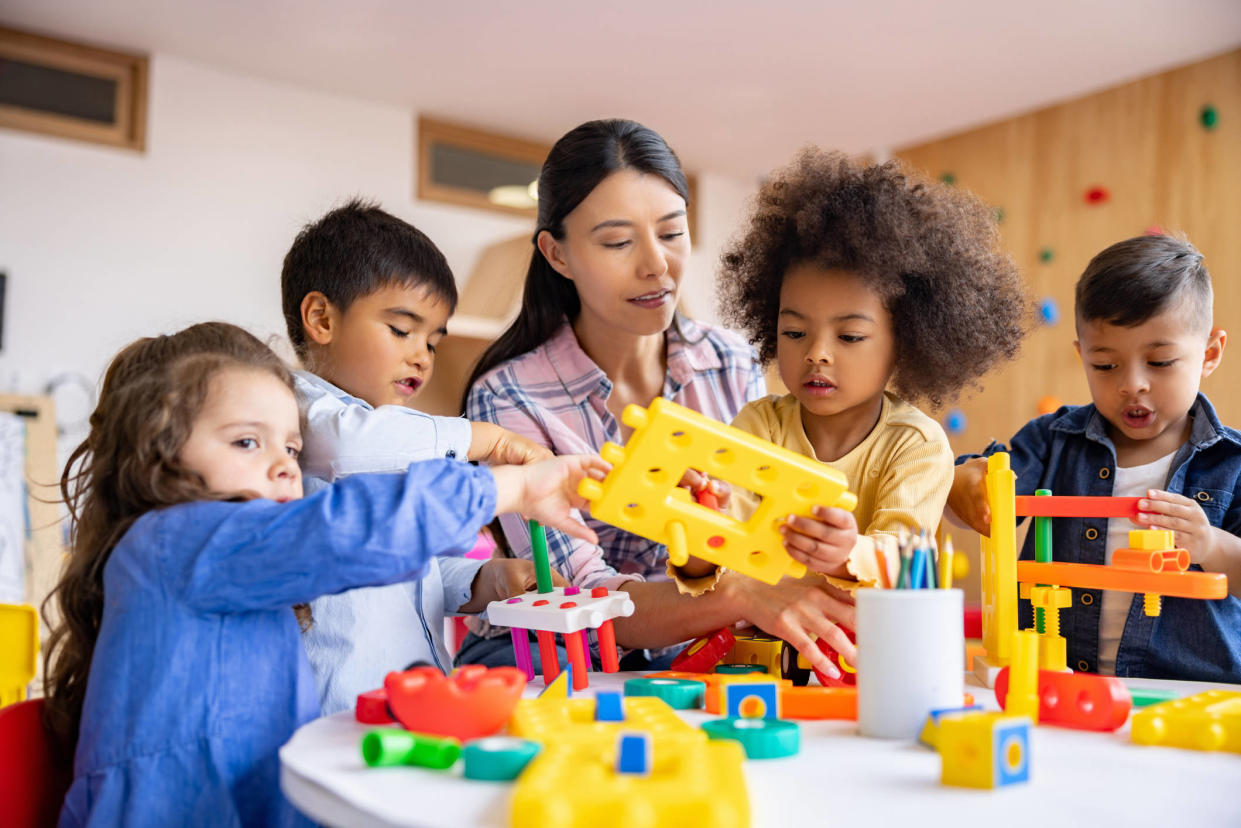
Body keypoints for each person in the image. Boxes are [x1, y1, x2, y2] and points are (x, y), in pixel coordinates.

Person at [42, 321, 603, 826]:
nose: (286, 464)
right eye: (246, 441)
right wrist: (511, 486)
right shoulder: (173, 541)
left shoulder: (241, 563)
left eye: (290, 446)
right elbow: (353, 530)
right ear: (156, 453)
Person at [458, 119, 855, 677]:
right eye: (619, 242)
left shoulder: (731, 361)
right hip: (545, 664)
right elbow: (584, 601)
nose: (656, 265)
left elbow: (761, 529)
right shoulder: (509, 397)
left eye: (671, 232)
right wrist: (737, 595)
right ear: (557, 254)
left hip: (694, 654)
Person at [680, 149, 1028, 589]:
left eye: (849, 337)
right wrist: (697, 527)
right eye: (793, 333)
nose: (817, 354)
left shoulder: (916, 446)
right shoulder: (759, 426)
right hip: (762, 647)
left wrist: (848, 553)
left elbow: (902, 562)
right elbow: (716, 557)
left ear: (905, 342)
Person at [281, 200, 556, 714]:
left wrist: (484, 581)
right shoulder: (294, 407)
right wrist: (488, 440)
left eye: (432, 341)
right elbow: (350, 444)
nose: (421, 357)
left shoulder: (394, 439)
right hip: (337, 708)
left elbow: (415, 569)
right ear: (321, 318)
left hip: (416, 703)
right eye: (402, 331)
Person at [949, 234, 1241, 682]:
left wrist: (1212, 546)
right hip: (1059, 681)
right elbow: (982, 488)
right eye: (1106, 366)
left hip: (1192, 692)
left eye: (1160, 362)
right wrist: (964, 483)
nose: (1133, 384)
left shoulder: (1231, 463)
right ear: (1082, 355)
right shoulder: (1053, 440)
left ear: (1210, 354)